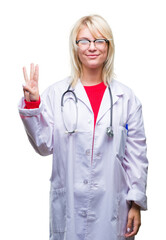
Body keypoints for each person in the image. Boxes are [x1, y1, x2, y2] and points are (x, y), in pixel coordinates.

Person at [18, 14, 148, 240]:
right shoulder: (57, 94)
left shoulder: (126, 98)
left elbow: (136, 156)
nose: (92, 47)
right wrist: (33, 103)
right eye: (84, 41)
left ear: (109, 46)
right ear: (75, 47)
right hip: (70, 207)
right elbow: (43, 144)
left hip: (112, 209)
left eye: (100, 40)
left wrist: (136, 202)